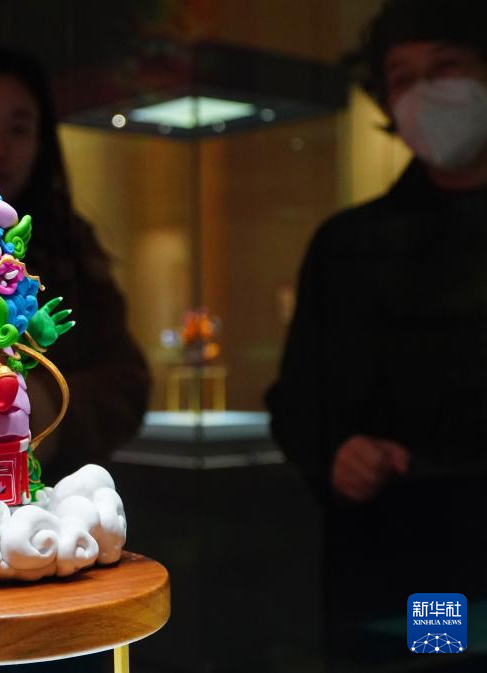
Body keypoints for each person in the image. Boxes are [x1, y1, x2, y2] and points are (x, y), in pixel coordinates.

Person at [266, 0, 487, 665]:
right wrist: (338, 453)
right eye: (403, 77)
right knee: (432, 659)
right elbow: (297, 401)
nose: (426, 92)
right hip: (405, 564)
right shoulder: (349, 245)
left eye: (445, 67)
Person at [0, 49, 150, 483]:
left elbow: (126, 381)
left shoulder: (69, 243)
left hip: (51, 490)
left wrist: (44, 406)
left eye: (19, 129)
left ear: (40, 143)